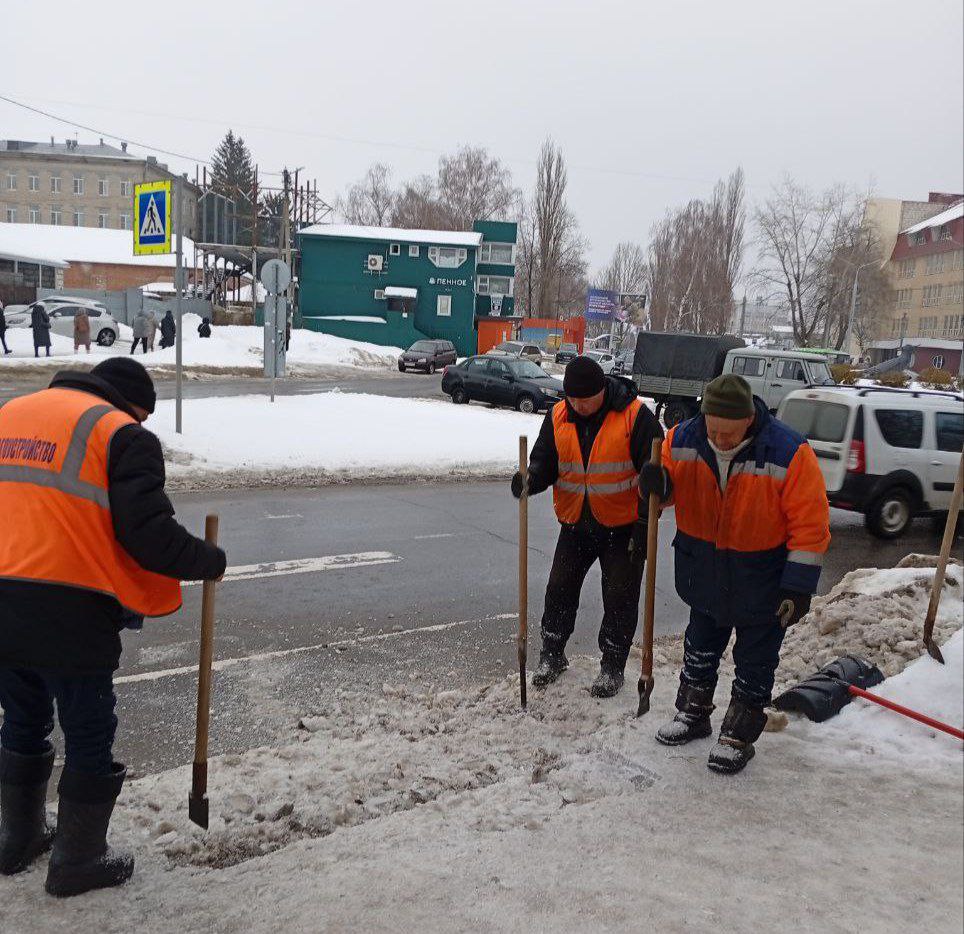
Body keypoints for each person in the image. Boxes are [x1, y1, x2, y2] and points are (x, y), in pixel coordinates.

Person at [0, 358, 227, 896]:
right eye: (143, 416)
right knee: (88, 732)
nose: (142, 425)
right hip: (70, 608)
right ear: (132, 405)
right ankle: (78, 860)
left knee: (22, 717)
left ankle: (16, 839)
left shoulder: (11, 414)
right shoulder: (119, 435)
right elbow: (147, 534)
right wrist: (208, 560)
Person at [640, 374, 830, 774]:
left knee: (756, 660)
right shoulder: (681, 439)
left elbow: (810, 526)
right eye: (713, 430)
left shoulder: (789, 451)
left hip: (763, 577)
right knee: (700, 647)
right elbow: (666, 493)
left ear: (748, 419)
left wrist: (797, 587)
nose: (720, 439)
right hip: (703, 569)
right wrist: (655, 485)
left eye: (729, 432)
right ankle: (693, 714)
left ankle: (738, 735)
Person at [511, 356, 663, 697]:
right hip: (576, 523)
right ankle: (552, 655)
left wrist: (643, 524)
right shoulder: (558, 415)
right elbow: (545, 461)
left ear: (602, 391)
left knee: (620, 598)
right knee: (559, 590)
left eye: (585, 399)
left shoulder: (635, 417)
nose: (577, 406)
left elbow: (656, 477)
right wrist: (530, 479)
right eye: (572, 399)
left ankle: (612, 666)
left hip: (623, 527)